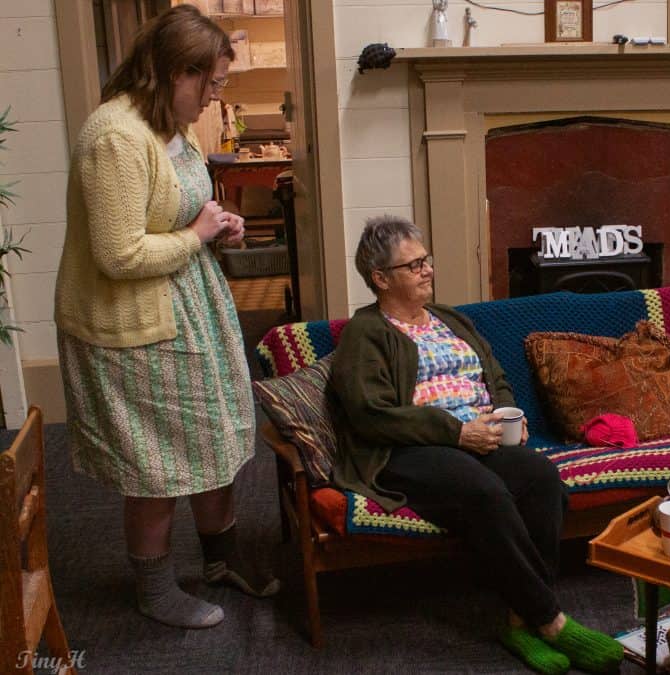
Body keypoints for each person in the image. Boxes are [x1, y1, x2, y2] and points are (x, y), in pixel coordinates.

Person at [54, 5, 278, 630]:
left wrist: (215, 228)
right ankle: (154, 588)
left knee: (215, 434)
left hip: (188, 305)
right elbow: (119, 253)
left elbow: (177, 213)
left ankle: (221, 560)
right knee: (154, 465)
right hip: (132, 325)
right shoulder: (115, 137)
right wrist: (196, 233)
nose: (213, 98)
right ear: (172, 73)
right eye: (208, 84)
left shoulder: (169, 127)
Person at [330, 215, 624, 675]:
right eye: (413, 266)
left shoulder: (451, 319)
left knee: (542, 478)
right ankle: (550, 620)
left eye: (426, 260)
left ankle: (517, 620)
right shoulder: (365, 333)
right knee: (484, 492)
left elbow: (496, 375)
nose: (427, 270)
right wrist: (455, 432)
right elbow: (370, 414)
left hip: (480, 436)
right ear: (380, 279)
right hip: (410, 450)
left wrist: (513, 415)